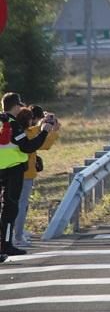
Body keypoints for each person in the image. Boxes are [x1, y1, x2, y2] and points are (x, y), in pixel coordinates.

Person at [1, 92, 54, 260]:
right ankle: (7, 245)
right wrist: (44, 131)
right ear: (16, 106)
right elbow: (27, 146)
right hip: (13, 170)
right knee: (10, 209)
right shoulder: (13, 124)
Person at [13, 105, 59, 248]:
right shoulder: (30, 133)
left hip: (14, 172)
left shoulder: (15, 131)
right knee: (20, 205)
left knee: (15, 205)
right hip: (25, 173)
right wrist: (50, 129)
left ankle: (16, 233)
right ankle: (17, 236)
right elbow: (44, 144)